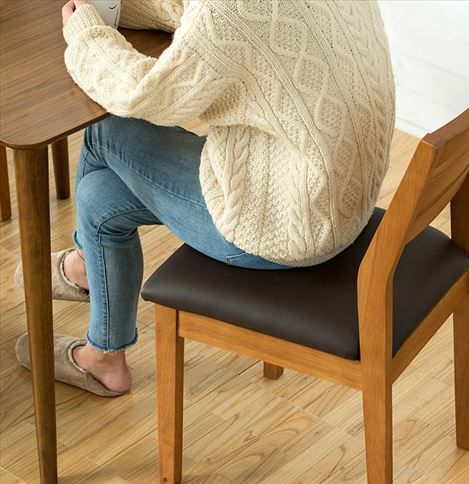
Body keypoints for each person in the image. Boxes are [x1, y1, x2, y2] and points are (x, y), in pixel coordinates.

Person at [15, 0, 396, 396]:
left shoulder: (227, 11)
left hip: (286, 221)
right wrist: (117, 8)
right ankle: (101, 340)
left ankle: (89, 272)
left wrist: (87, 35)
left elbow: (145, 94)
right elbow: (206, 20)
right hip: (340, 194)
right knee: (99, 196)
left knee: (107, 130)